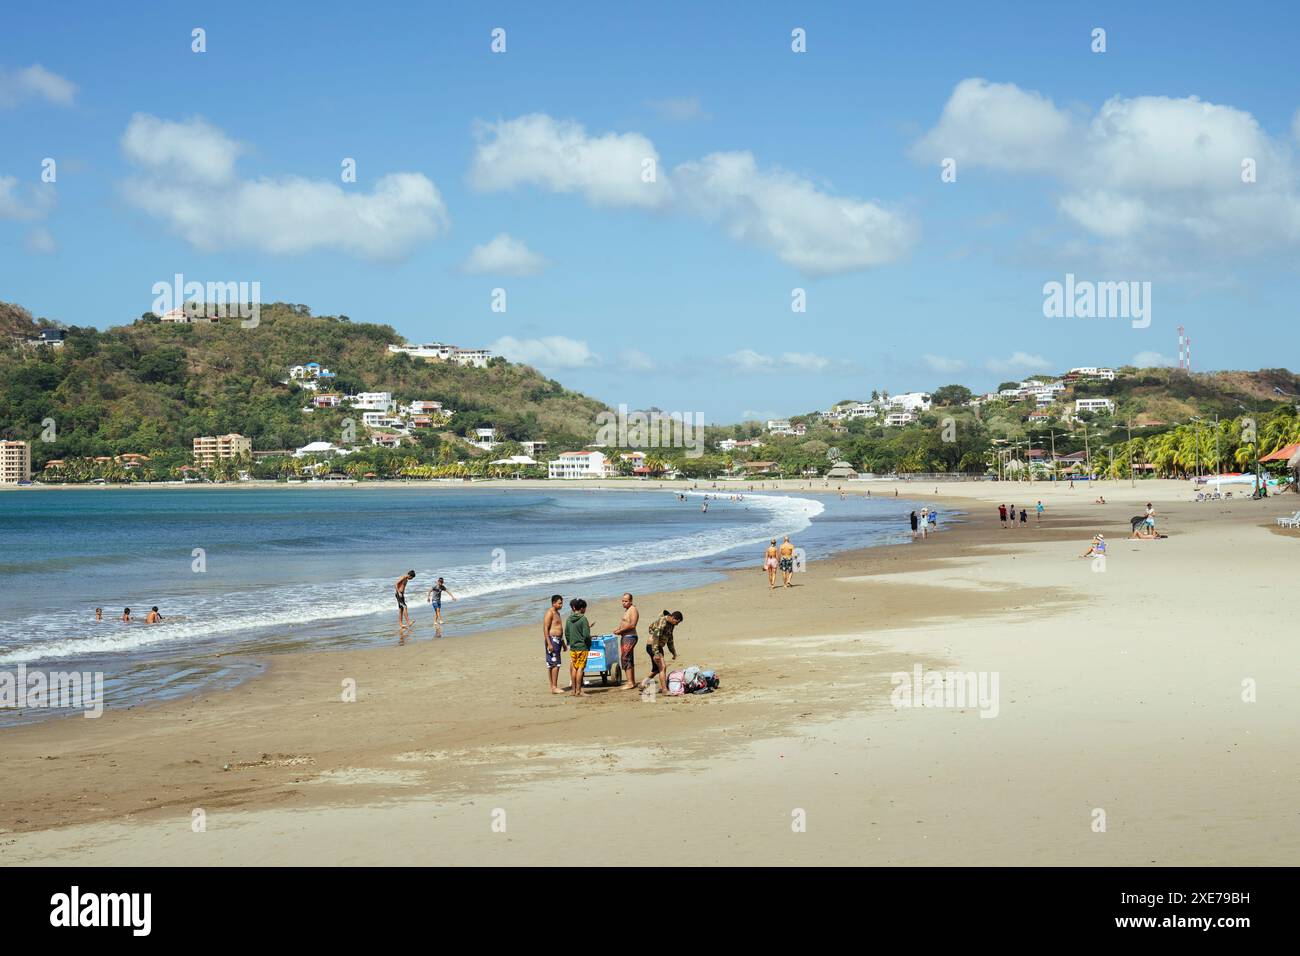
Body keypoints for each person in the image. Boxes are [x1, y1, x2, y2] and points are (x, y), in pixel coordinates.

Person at [643, 610, 684, 694]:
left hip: (658, 646)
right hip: (653, 646)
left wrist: (673, 652)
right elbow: (655, 637)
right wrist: (656, 652)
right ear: (673, 618)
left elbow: (670, 640)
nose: (677, 624)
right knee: (662, 667)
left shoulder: (671, 625)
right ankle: (665, 690)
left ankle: (643, 684)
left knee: (656, 669)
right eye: (677, 622)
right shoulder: (663, 622)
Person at [565, 599, 593, 697]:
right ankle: (579, 691)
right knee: (580, 668)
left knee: (574, 668)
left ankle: (573, 690)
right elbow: (586, 635)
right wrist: (589, 644)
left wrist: (570, 643)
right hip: (582, 647)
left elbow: (567, 634)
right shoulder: (583, 619)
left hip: (573, 648)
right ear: (581, 608)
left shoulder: (568, 619)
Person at [614, 592, 640, 689]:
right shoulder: (628, 610)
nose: (623, 603)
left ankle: (630, 683)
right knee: (628, 658)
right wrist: (619, 629)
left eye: (626, 601)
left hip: (630, 637)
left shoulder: (633, 610)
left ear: (631, 601)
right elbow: (626, 623)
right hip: (626, 636)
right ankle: (631, 682)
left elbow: (633, 625)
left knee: (625, 658)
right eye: (622, 601)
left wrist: (620, 630)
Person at [543, 594, 567, 695]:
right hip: (552, 640)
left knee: (553, 664)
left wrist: (563, 643)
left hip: (558, 640)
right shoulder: (550, 613)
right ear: (553, 603)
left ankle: (553, 686)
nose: (561, 605)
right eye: (559, 603)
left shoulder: (557, 613)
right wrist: (549, 643)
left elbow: (559, 628)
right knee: (555, 664)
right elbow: (545, 628)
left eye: (562, 603)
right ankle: (554, 687)